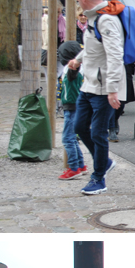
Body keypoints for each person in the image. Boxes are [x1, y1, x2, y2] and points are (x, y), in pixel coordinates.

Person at [70, 0, 125, 197]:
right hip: (89, 84)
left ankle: (98, 178)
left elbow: (115, 55)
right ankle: (105, 162)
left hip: (103, 88)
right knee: (79, 126)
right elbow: (94, 48)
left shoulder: (106, 20)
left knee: (99, 134)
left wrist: (112, 89)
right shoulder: (96, 19)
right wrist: (78, 59)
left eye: (77, 0)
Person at [56, 36, 86, 181]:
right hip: (74, 106)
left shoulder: (73, 69)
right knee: (72, 138)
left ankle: (73, 168)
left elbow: (73, 71)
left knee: (67, 139)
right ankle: (80, 165)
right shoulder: (73, 68)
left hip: (72, 107)